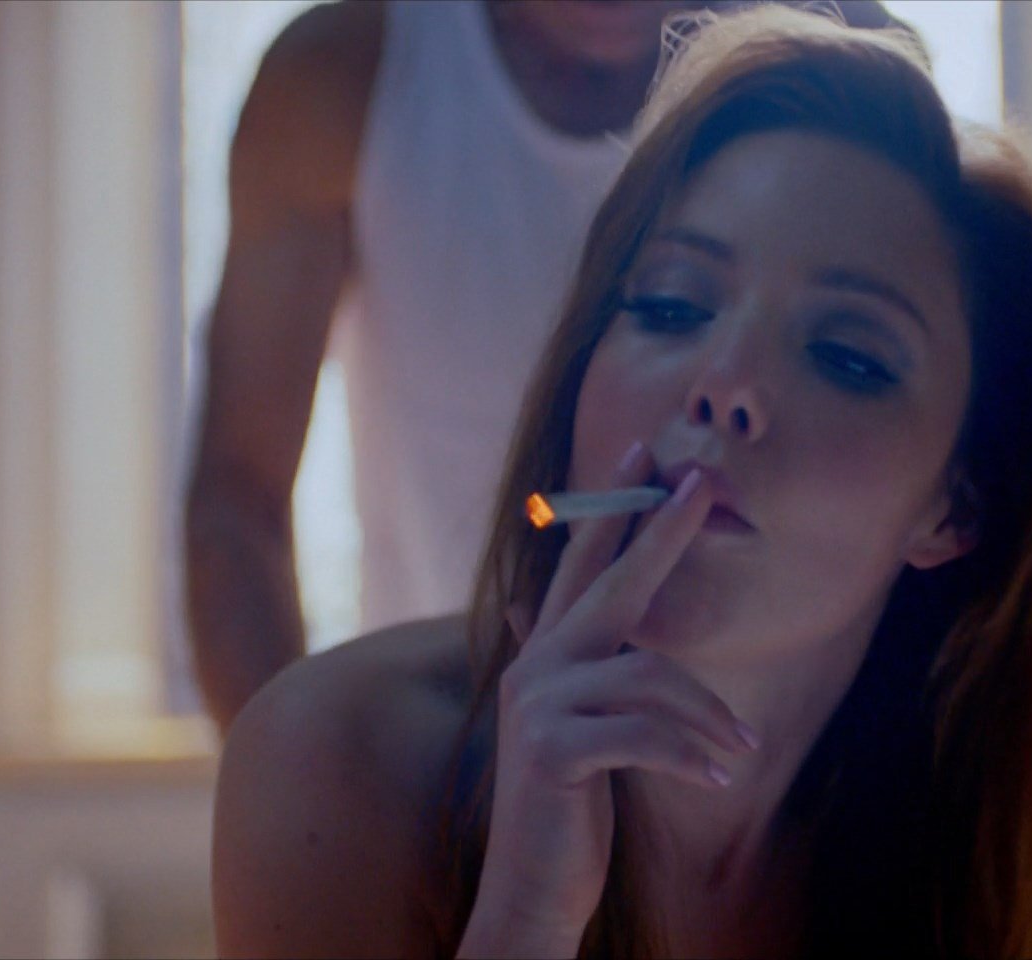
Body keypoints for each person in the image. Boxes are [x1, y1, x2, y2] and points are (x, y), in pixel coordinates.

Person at [213, 6, 1032, 958]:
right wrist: (524, 919)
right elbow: (230, 504)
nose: (724, 384)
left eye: (847, 357)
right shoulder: (335, 769)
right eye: (672, 305)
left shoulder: (968, 839)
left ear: (959, 503)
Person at [186, 0, 900, 736]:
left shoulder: (846, 60)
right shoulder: (344, 77)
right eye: (666, 310)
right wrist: (307, 782)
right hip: (447, 766)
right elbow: (237, 504)